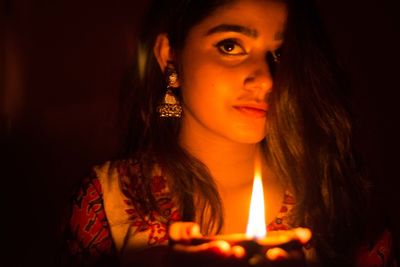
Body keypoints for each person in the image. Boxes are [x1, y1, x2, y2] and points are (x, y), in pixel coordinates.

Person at [62, 0, 397, 266]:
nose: (266, 80)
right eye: (230, 46)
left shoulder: (337, 197)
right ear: (169, 56)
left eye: (280, 53)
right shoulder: (108, 202)